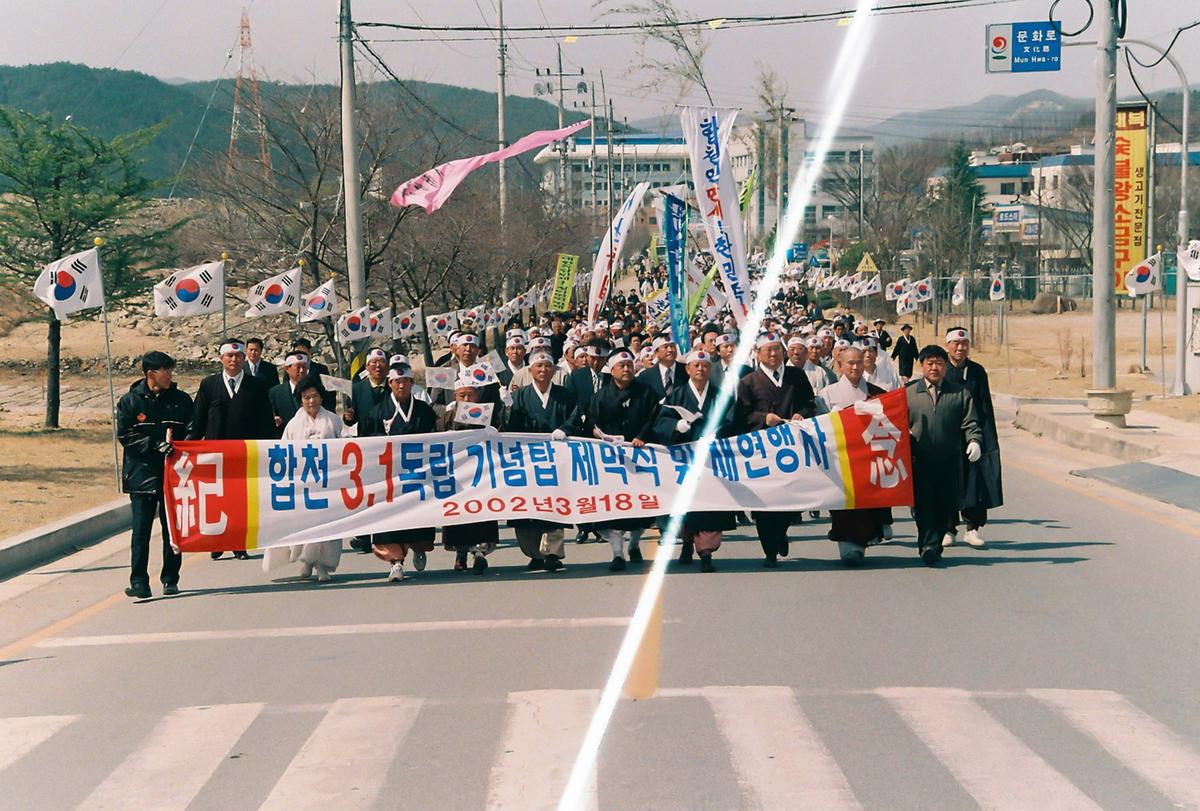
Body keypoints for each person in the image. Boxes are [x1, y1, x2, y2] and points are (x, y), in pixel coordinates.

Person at [735, 333, 818, 567]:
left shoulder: (796, 376)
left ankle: (780, 533)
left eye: (777, 349)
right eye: (768, 350)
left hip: (793, 449)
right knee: (764, 503)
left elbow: (810, 402)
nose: (773, 354)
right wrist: (763, 418)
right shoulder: (749, 382)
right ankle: (770, 550)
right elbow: (742, 416)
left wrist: (802, 413)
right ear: (757, 353)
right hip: (763, 452)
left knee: (790, 498)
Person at [116, 351, 193, 598]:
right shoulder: (130, 402)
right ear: (151, 374)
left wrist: (184, 444)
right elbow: (125, 435)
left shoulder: (181, 400)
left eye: (171, 370)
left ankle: (170, 578)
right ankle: (139, 581)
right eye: (165, 371)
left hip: (174, 476)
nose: (170, 375)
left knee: (172, 531)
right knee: (141, 533)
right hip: (141, 476)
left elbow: (192, 428)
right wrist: (154, 444)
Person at [190, 339, 276, 560]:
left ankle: (239, 544)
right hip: (215, 454)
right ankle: (218, 542)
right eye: (229, 355)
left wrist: (267, 449)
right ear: (221, 359)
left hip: (244, 453)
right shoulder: (209, 385)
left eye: (238, 356)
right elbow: (198, 420)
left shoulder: (256, 385)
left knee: (239, 501)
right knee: (216, 500)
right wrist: (187, 444)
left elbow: (265, 422)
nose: (234, 360)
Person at [652, 349, 737, 573]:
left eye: (705, 365)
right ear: (688, 369)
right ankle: (687, 543)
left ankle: (706, 552)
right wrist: (675, 427)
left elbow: (731, 422)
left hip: (712, 461)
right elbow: (661, 421)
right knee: (685, 506)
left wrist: (716, 435)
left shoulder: (721, 396)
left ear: (710, 369)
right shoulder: (676, 395)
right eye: (696, 365)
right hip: (684, 461)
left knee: (710, 507)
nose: (700, 369)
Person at [905, 345, 983, 565]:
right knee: (923, 506)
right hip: (919, 460)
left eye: (939, 363)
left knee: (945, 505)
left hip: (949, 459)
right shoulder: (909, 393)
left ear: (946, 366)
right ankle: (927, 545)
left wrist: (974, 440)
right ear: (921, 366)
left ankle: (936, 542)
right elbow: (897, 424)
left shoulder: (959, 393)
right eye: (930, 363)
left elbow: (970, 422)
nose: (934, 368)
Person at [581, 349, 658, 570]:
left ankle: (634, 543)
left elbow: (655, 417)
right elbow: (591, 423)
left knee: (641, 509)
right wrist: (597, 433)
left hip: (640, 456)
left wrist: (642, 436)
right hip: (612, 460)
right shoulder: (601, 396)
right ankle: (617, 552)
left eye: (629, 365)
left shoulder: (646, 393)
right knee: (612, 510)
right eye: (621, 366)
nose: (626, 369)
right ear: (612, 369)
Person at [263, 375, 344, 582]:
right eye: (306, 397)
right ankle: (308, 561)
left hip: (328, 483)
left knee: (326, 525)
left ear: (321, 398)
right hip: (303, 484)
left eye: (315, 396)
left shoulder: (333, 421)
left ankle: (323, 565)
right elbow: (283, 452)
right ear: (301, 399)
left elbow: (345, 448)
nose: (311, 401)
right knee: (306, 524)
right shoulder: (293, 424)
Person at [363, 364, 439, 581]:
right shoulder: (377, 412)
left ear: (412, 383)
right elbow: (367, 442)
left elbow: (434, 439)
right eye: (397, 381)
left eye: (405, 380)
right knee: (389, 519)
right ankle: (395, 562)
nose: (401, 385)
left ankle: (419, 547)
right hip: (389, 477)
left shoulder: (424, 410)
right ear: (390, 384)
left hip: (418, 475)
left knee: (418, 516)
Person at [504, 351, 578, 572]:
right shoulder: (520, 396)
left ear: (554, 370)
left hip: (556, 459)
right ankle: (534, 553)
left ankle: (552, 553)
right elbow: (510, 427)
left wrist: (564, 429)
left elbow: (575, 417)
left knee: (554, 506)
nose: (543, 370)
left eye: (547, 366)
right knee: (528, 508)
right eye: (538, 366)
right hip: (528, 460)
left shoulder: (565, 395)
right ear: (530, 370)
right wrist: (507, 408)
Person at [819, 345, 889, 564]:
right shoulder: (827, 394)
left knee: (866, 505)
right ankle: (847, 546)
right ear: (840, 366)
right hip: (840, 459)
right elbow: (818, 426)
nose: (855, 367)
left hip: (867, 458)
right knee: (842, 507)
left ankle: (860, 544)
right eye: (850, 363)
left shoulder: (877, 393)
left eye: (859, 362)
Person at [943, 327, 1003, 548]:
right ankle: (948, 528)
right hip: (948, 434)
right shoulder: (942, 369)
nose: (960, 348)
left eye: (965, 343)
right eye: (956, 344)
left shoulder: (977, 371)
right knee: (948, 481)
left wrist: (984, 438)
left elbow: (985, 406)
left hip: (974, 433)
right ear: (947, 345)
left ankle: (973, 527)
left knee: (975, 481)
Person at [438, 373, 502, 574]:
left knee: (481, 512)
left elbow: (504, 435)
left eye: (470, 395)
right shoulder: (445, 419)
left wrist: (495, 430)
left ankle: (480, 553)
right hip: (456, 476)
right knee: (458, 515)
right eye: (461, 396)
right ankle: (461, 553)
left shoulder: (488, 416)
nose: (466, 400)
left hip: (481, 474)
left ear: (477, 396)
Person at [268, 352, 309, 437]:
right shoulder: (276, 392)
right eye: (298, 367)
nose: (301, 370)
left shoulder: (316, 391)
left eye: (304, 367)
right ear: (287, 369)